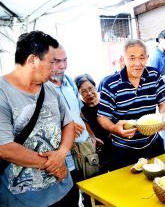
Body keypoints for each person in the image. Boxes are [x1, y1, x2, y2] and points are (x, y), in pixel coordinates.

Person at [0, 31, 75, 206]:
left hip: (63, 189)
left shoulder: (49, 89)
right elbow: (5, 148)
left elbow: (69, 123)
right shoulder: (3, 93)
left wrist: (62, 153)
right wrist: (55, 165)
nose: (55, 68)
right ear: (32, 60)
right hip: (22, 200)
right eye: (51, 62)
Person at [97, 39, 165, 171]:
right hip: (123, 149)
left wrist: (164, 115)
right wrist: (114, 128)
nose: (137, 64)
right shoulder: (111, 84)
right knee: (126, 190)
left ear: (147, 58)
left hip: (153, 145)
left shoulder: (154, 75)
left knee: (158, 184)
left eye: (142, 58)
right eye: (132, 58)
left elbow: (163, 101)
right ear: (123, 59)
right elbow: (102, 117)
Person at [50, 45, 99, 206]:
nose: (62, 65)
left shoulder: (69, 81)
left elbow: (79, 113)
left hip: (84, 149)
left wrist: (91, 135)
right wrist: (68, 126)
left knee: (92, 191)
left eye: (65, 60)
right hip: (64, 155)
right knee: (69, 197)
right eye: (57, 61)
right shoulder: (42, 86)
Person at [74, 74, 111, 173]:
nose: (89, 93)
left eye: (91, 88)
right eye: (84, 92)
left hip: (115, 147)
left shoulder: (105, 101)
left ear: (95, 87)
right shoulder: (80, 111)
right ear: (78, 94)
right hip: (97, 152)